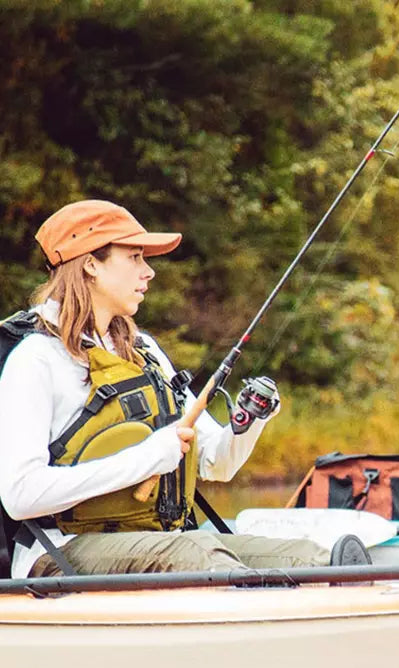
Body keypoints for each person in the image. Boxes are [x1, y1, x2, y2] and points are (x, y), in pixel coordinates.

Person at [0, 198, 331, 577]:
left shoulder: (145, 350)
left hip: (163, 544)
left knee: (308, 558)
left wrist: (249, 423)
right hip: (59, 551)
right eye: (135, 258)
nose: (148, 272)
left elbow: (215, 463)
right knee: (198, 551)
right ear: (91, 264)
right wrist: (148, 457)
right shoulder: (36, 359)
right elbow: (20, 495)